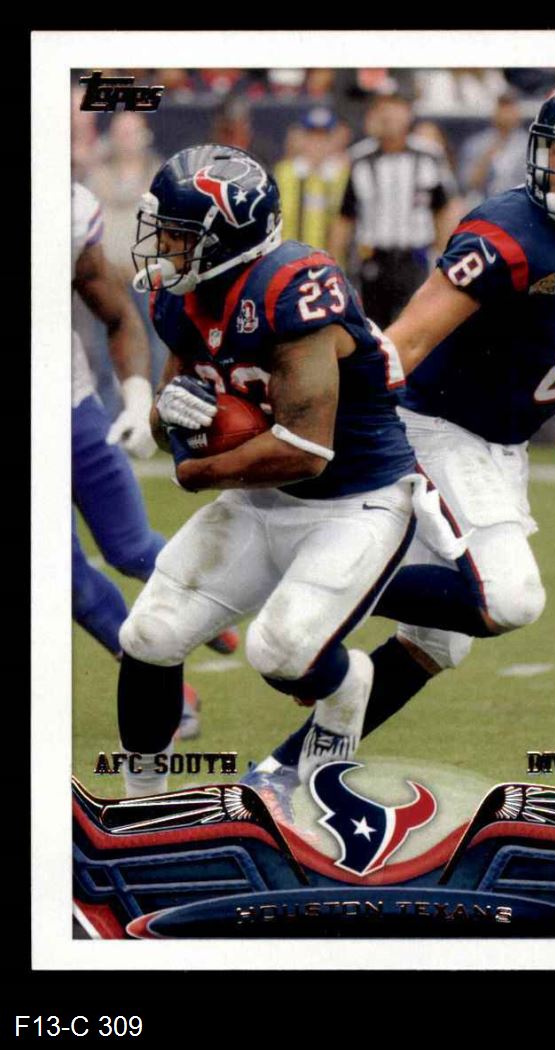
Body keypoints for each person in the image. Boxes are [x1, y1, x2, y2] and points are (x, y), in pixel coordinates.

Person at [247, 77, 555, 806]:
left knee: (438, 641)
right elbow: (404, 343)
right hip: (440, 426)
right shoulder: (508, 233)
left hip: (501, 445)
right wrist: (320, 407)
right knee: (509, 598)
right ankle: (311, 574)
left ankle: (285, 773)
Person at [117, 144, 459, 798]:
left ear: (228, 240)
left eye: (179, 235)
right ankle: (142, 808)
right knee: (149, 634)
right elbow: (172, 422)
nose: (162, 247)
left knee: (281, 651)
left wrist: (199, 472)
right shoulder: (178, 298)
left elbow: (306, 449)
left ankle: (347, 686)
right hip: (260, 497)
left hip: (355, 500)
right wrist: (170, 414)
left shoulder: (294, 288)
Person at [71, 182, 237, 740]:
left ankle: (211, 604)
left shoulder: (63, 213)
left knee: (131, 546)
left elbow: (118, 314)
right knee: (64, 577)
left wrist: (138, 398)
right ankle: (167, 688)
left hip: (72, 409)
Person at [328, 92, 456, 328]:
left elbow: (444, 210)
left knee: (418, 327)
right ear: (371, 116)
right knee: (374, 329)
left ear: (408, 113)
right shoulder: (358, 158)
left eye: (395, 107)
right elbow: (344, 217)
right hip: (373, 258)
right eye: (382, 108)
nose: (389, 115)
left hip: (416, 258)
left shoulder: (429, 155)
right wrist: (336, 267)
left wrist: (447, 259)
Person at [274, 107, 350, 250]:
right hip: (290, 258)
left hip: (331, 259)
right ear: (301, 139)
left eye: (324, 137)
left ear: (334, 140)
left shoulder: (343, 175)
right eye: (312, 136)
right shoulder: (284, 173)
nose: (317, 143)